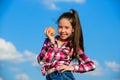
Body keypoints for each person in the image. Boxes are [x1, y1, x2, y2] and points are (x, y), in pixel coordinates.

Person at [37, 9, 96, 80]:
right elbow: (40, 60)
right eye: (60, 27)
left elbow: (91, 65)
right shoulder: (49, 41)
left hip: (62, 76)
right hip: (49, 76)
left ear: (73, 29)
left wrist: (72, 67)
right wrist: (52, 42)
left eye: (67, 27)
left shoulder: (73, 46)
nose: (62, 31)